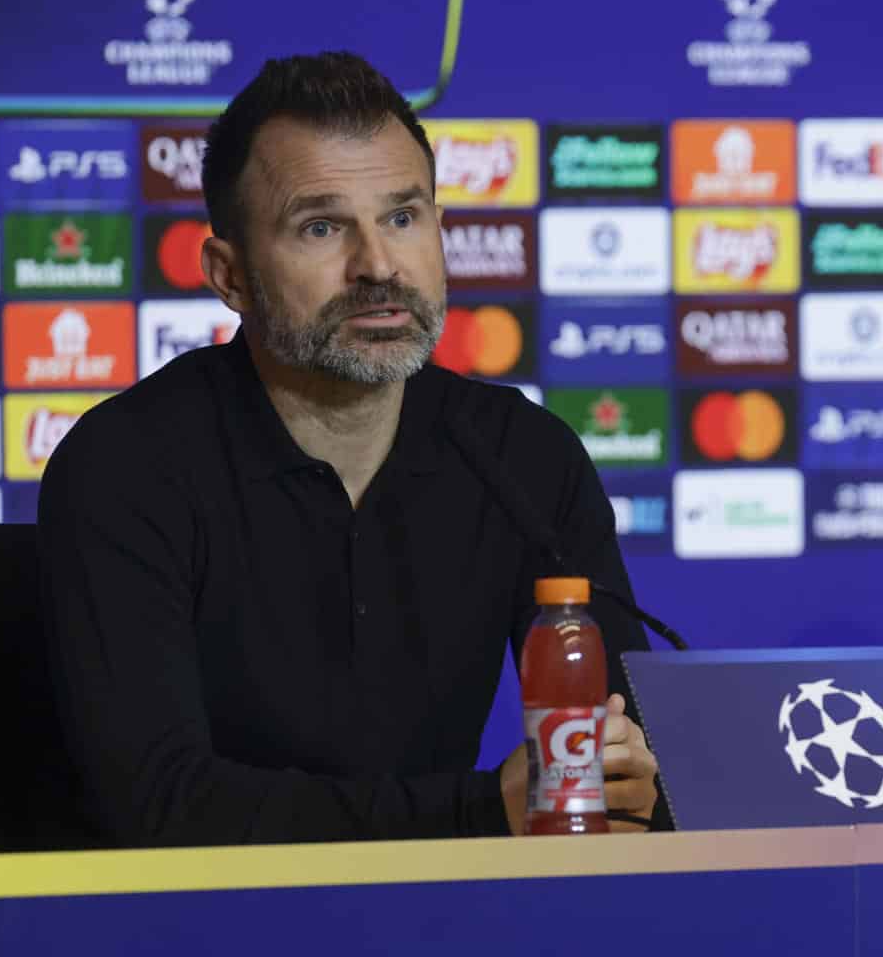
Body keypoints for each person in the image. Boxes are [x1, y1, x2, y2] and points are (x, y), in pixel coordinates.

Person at [40, 52, 662, 845]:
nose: (378, 266)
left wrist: (635, 783)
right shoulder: (127, 465)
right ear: (228, 276)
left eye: (403, 217)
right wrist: (478, 814)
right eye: (322, 227)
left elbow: (637, 757)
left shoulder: (523, 456)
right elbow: (157, 804)